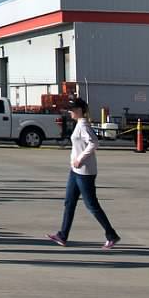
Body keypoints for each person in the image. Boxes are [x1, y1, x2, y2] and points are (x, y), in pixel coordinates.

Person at [46, 97, 120, 249]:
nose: (70, 111)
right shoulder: (79, 124)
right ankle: (62, 235)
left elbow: (94, 142)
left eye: (72, 109)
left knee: (91, 205)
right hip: (75, 171)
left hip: (84, 172)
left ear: (80, 110)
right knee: (69, 202)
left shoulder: (84, 125)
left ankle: (111, 235)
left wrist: (80, 159)